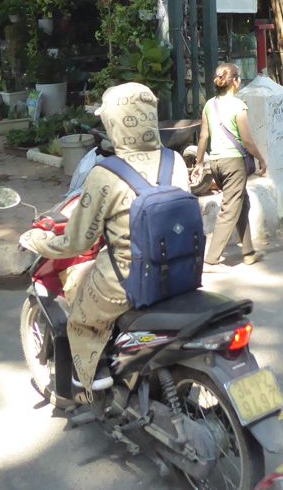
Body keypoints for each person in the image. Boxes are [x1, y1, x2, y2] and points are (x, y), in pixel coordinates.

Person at [20, 82, 190, 403]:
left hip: (125, 284)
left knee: (80, 313)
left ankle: (93, 377)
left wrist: (38, 242)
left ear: (114, 123)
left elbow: (76, 242)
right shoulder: (175, 161)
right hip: (181, 274)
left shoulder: (105, 174)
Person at [193, 63, 267, 268]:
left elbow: (203, 137)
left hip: (216, 163)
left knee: (241, 203)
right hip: (234, 163)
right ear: (234, 82)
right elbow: (248, 140)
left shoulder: (209, 105)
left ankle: (248, 252)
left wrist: (199, 163)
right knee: (229, 208)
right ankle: (211, 258)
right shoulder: (238, 106)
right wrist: (261, 158)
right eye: (239, 78)